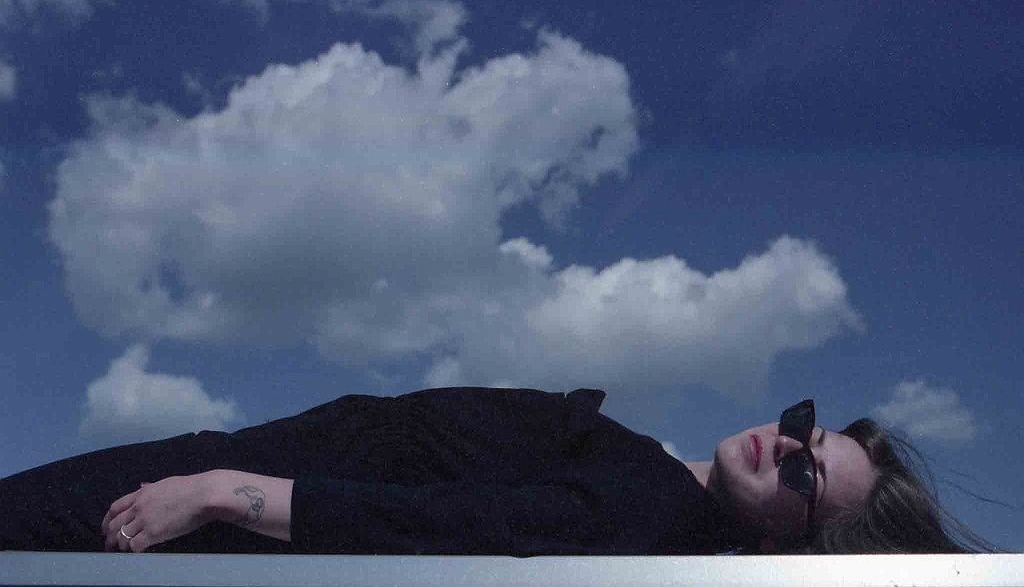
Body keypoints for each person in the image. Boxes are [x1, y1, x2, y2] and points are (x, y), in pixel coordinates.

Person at [0, 387, 994, 555]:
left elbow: (447, 528)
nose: (785, 446)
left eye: (806, 478)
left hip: (218, 508)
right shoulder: (654, 473)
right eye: (806, 429)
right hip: (230, 464)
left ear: (790, 544)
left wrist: (224, 492)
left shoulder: (645, 517)